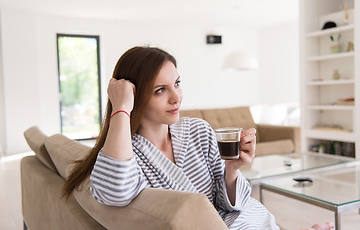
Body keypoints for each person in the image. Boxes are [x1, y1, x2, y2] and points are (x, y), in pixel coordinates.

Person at [63, 46, 333, 230]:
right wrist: (121, 108)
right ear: (134, 96)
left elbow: (227, 202)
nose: (176, 97)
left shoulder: (198, 130)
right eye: (160, 90)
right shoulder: (124, 152)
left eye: (177, 84)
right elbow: (113, 192)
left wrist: (232, 168)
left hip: (242, 220)